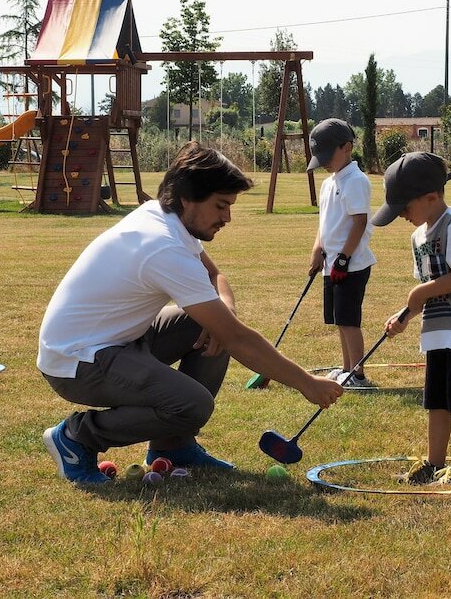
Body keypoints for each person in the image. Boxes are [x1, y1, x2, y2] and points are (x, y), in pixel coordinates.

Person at [38, 142, 344, 484]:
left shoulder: (167, 217)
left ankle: (172, 446)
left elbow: (216, 276)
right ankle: (75, 438)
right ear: (187, 198)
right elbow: (239, 338)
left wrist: (223, 312)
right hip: (75, 362)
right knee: (193, 404)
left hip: (111, 343)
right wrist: (307, 383)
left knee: (207, 324)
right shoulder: (162, 244)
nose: (227, 217)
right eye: (221, 206)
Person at [373, 152, 451, 484]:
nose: (402, 216)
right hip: (439, 330)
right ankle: (434, 462)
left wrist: (418, 297)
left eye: (405, 208)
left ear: (432, 196)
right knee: (436, 400)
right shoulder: (418, 237)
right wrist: (406, 315)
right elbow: (425, 288)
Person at [306, 118, 377, 387]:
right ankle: (346, 367)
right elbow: (324, 222)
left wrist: (344, 259)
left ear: (346, 147)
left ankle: (357, 374)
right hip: (331, 262)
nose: (324, 162)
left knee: (349, 320)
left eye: (327, 155)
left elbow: (359, 222)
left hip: (351, 264)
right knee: (338, 320)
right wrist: (317, 249)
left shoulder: (355, 181)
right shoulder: (329, 183)